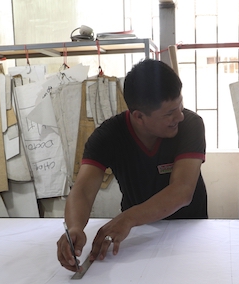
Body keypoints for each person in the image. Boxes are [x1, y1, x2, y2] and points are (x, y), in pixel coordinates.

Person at [57, 59, 208, 271]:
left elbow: (182, 191)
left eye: (180, 106)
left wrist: (127, 218)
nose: (179, 116)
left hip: (189, 231)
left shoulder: (190, 125)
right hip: (138, 235)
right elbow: (82, 189)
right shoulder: (108, 136)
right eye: (169, 113)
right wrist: (74, 227)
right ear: (139, 116)